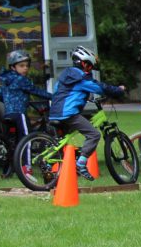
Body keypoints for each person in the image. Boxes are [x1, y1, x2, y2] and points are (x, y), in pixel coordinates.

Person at [48, 46, 126, 180]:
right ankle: (81, 164)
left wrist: (85, 96)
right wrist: (118, 90)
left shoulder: (65, 76)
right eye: (89, 66)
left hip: (55, 112)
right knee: (94, 134)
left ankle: (50, 168)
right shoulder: (81, 78)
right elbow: (100, 87)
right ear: (83, 64)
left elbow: (61, 91)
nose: (90, 70)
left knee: (62, 142)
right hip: (68, 113)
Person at [0, 50, 53, 137]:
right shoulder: (21, 79)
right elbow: (36, 91)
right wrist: (53, 96)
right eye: (21, 66)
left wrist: (9, 100)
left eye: (27, 66)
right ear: (13, 67)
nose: (25, 68)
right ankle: (26, 151)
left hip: (8, 115)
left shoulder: (7, 80)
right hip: (19, 115)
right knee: (26, 139)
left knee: (12, 141)